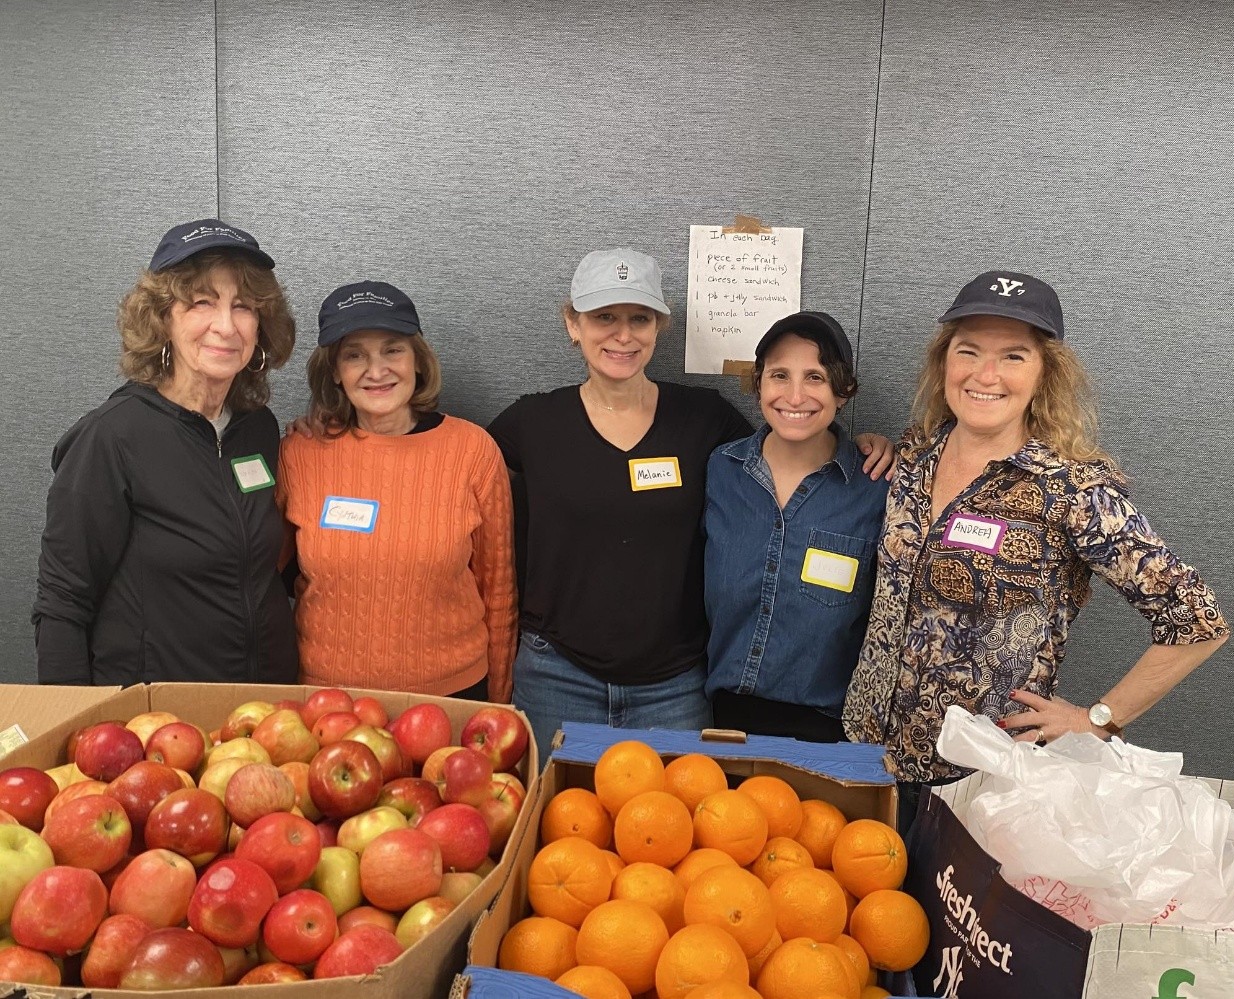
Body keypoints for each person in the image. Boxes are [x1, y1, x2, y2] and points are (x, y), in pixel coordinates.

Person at [841, 270, 1230, 831]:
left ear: (1046, 372)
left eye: (1014, 356)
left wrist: (1099, 719)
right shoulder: (915, 456)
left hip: (979, 780)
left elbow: (1197, 620)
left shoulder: (1071, 490)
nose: (986, 375)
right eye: (968, 350)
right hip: (864, 753)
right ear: (944, 361)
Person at [487, 249, 892, 763]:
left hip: (675, 686)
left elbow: (788, 445)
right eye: (604, 317)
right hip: (556, 674)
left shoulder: (703, 420)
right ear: (573, 324)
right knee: (558, 810)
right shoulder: (533, 423)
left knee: (677, 811)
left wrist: (865, 446)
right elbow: (460, 475)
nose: (623, 335)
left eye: (639, 318)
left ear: (659, 326)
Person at [34, 218, 300, 685]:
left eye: (243, 306)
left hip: (263, 711)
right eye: (202, 302)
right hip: (156, 716)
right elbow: (62, 603)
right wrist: (74, 718)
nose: (226, 326)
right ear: (162, 319)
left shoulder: (257, 428)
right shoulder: (111, 437)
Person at [276, 281, 515, 701]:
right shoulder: (300, 453)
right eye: (354, 355)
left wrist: (499, 703)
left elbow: (498, 589)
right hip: (328, 703)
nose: (376, 370)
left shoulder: (473, 451)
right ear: (334, 371)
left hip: (452, 696)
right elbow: (258, 578)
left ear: (417, 359)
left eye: (393, 350)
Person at [703, 312, 888, 741]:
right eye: (780, 375)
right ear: (759, 384)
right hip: (720, 717)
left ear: (843, 391)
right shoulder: (721, 470)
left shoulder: (876, 487)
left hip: (828, 728)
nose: (795, 395)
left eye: (816, 378)